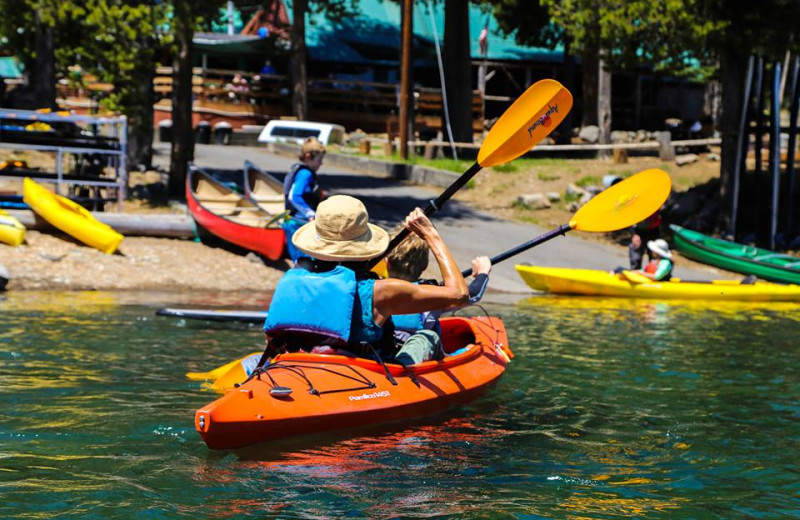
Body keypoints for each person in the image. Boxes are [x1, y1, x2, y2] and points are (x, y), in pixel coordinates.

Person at [262, 195, 469, 366]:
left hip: (301, 367)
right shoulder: (381, 291)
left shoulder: (293, 281)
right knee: (428, 337)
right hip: (362, 377)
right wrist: (431, 235)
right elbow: (459, 294)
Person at [385, 229, 491, 351]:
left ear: (387, 263)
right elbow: (471, 295)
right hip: (416, 355)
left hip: (384, 351)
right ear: (425, 265)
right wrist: (483, 272)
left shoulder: (375, 286)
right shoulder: (432, 293)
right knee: (471, 347)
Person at [282, 137, 326, 263]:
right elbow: (294, 196)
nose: (321, 163)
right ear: (308, 157)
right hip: (298, 221)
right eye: (319, 160)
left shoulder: (297, 168)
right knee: (303, 259)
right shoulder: (306, 174)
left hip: (292, 219)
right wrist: (310, 213)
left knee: (299, 259)